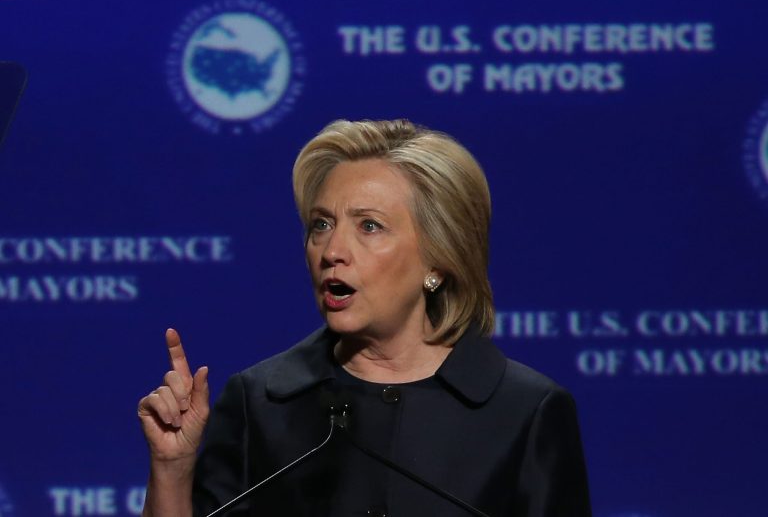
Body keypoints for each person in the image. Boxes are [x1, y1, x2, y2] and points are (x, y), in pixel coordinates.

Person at [138, 119, 591, 517]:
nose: (332, 252)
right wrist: (172, 468)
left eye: (368, 226)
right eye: (321, 224)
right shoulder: (260, 402)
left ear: (438, 260)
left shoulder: (525, 412)